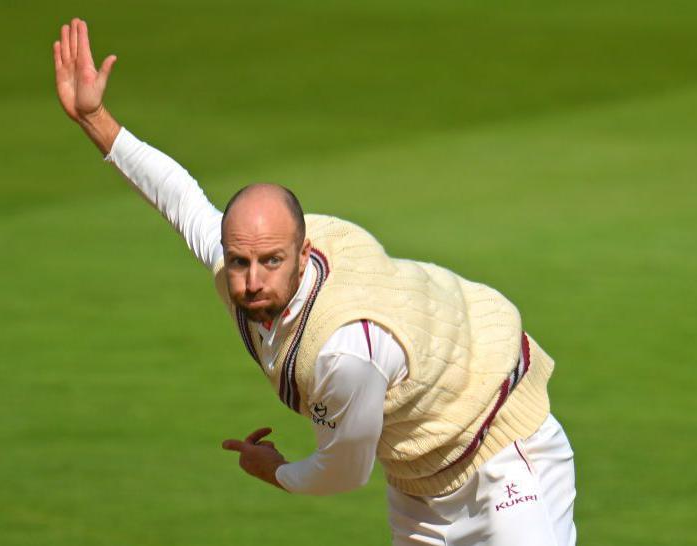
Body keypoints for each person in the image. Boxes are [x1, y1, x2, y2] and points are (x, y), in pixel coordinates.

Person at [53, 18, 577, 546]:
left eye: (271, 262)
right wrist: (96, 118)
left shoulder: (346, 352)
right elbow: (180, 198)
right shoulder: (244, 259)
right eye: (239, 262)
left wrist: (274, 471)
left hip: (506, 455)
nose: (252, 281)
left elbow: (345, 471)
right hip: (420, 483)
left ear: (304, 254)